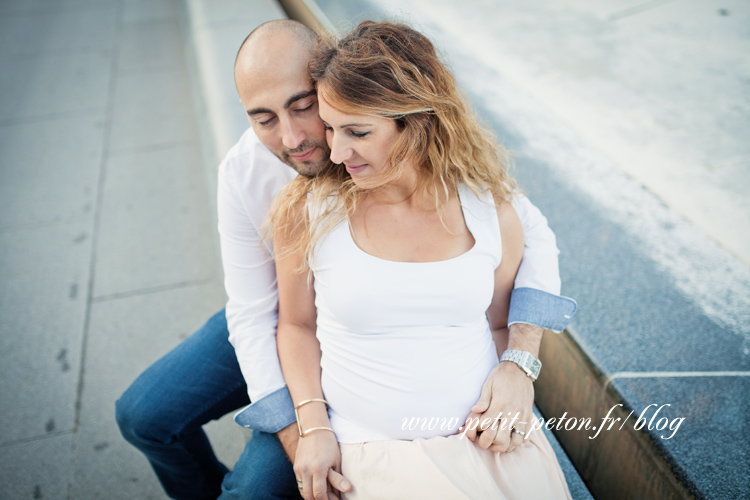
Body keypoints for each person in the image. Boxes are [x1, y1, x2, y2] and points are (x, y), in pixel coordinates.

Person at [114, 19, 576, 500]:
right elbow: (257, 315)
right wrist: (305, 432)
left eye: (304, 107)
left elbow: (526, 229)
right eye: (263, 118)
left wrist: (520, 363)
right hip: (284, 317)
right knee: (145, 417)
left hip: (367, 330)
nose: (294, 138)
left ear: (331, 85)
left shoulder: (415, 160)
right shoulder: (246, 174)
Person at [272, 20, 575, 500]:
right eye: (330, 128)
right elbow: (295, 326)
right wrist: (314, 427)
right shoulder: (311, 211)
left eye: (357, 131)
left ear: (416, 124)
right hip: (372, 452)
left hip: (486, 442)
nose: (335, 149)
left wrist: (518, 374)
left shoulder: (487, 209)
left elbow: (500, 325)